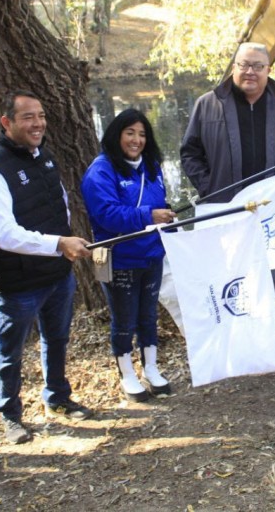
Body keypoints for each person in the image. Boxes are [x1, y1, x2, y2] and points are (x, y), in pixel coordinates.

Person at [0, 90, 92, 445]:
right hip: (16, 282)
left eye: (40, 116)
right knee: (11, 351)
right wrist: (59, 244)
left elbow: (61, 205)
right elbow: (6, 236)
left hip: (56, 274)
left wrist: (65, 241)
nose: (38, 123)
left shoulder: (45, 157)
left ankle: (57, 397)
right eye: (28, 117)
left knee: (57, 338)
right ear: (6, 122)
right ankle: (10, 415)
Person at [180, 42, 275, 301]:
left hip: (270, 211)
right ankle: (233, 339)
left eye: (257, 66)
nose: (250, 71)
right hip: (225, 210)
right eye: (244, 65)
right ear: (234, 67)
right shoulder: (208, 104)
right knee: (227, 279)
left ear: (268, 70)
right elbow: (189, 152)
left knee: (272, 280)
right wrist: (209, 187)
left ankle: (267, 338)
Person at [81, 109, 176, 402]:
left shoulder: (152, 166)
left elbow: (158, 204)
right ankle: (127, 373)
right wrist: (149, 214)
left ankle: (151, 368)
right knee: (124, 319)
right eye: (130, 133)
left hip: (152, 255)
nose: (137, 140)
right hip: (120, 259)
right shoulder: (101, 171)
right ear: (116, 135)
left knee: (148, 315)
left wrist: (165, 216)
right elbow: (107, 215)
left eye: (142, 134)